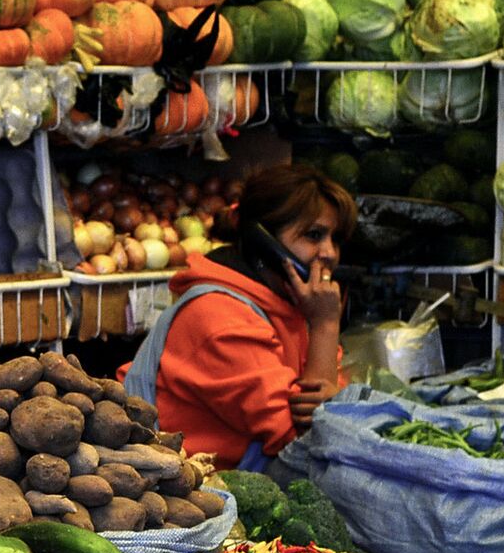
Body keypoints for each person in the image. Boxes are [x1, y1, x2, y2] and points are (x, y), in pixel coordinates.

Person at [120, 163, 356, 472]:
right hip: (188, 497)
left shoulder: (295, 305)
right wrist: (325, 326)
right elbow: (308, 443)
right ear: (263, 239)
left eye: (334, 239)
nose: (329, 253)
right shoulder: (220, 317)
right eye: (314, 235)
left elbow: (329, 404)